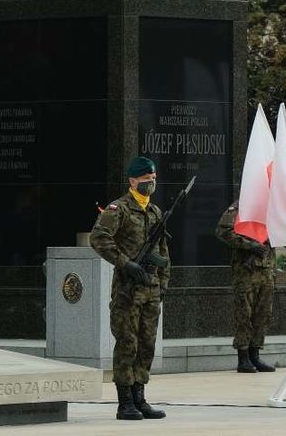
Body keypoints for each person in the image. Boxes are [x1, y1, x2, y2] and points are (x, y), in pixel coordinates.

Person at [89, 156, 169, 421]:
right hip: (127, 290)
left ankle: (140, 397)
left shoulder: (155, 212)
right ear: (133, 180)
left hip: (151, 289)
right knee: (127, 344)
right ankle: (125, 403)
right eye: (146, 180)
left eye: (153, 179)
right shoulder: (118, 209)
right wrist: (125, 263)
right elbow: (98, 238)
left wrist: (163, 283)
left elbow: (163, 252)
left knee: (147, 345)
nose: (151, 183)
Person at [215, 201, 276, 374]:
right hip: (246, 272)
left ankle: (254, 354)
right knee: (244, 314)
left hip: (266, 270)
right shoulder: (239, 206)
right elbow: (222, 232)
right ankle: (243, 358)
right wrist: (251, 245)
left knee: (263, 314)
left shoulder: (270, 207)